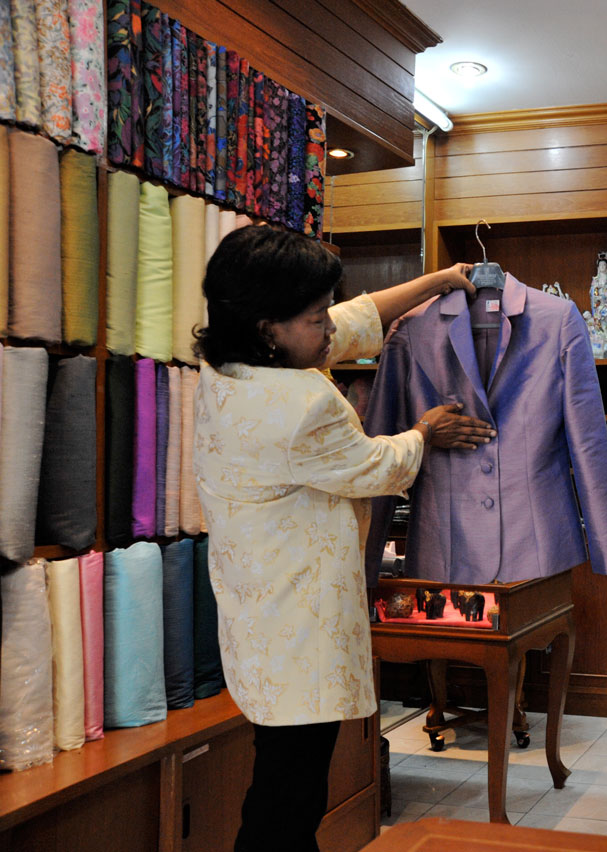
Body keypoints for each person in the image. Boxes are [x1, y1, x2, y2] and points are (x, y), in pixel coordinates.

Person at [192, 226, 497, 852]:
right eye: (313, 319)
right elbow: (372, 467)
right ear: (266, 326)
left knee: (280, 782)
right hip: (299, 626)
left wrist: (440, 280)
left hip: (257, 614)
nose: (330, 329)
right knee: (289, 798)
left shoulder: (226, 371)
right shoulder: (302, 400)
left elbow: (357, 317)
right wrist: (424, 432)